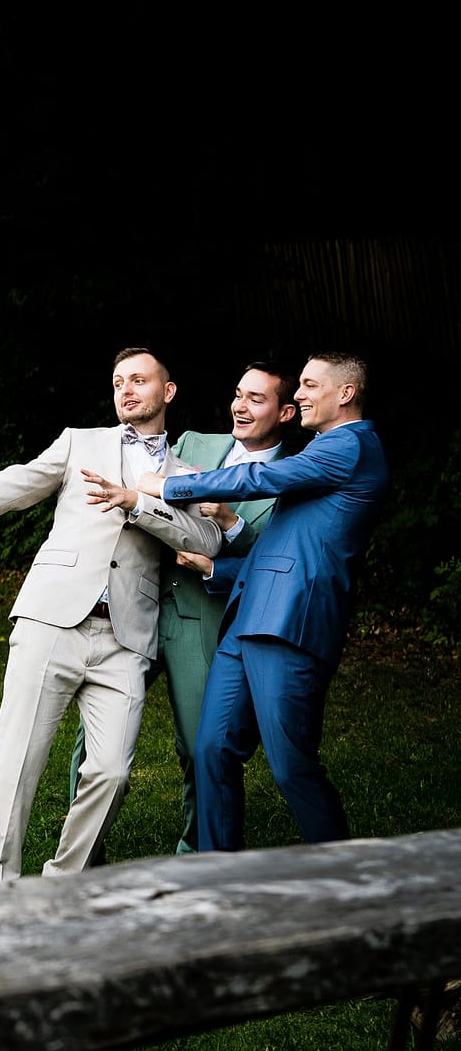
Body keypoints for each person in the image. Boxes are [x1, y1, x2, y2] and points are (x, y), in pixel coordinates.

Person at [0, 348, 224, 882]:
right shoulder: (80, 441)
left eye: (140, 380)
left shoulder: (190, 474)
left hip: (127, 636)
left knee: (113, 772)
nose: (127, 390)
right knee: (17, 764)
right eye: (118, 381)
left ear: (169, 391)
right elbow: (13, 486)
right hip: (52, 619)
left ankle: (62, 885)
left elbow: (207, 537)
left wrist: (138, 503)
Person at [139, 351, 390, 851]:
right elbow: (281, 544)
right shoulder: (324, 448)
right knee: (211, 748)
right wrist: (220, 572)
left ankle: (343, 876)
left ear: (344, 393)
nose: (299, 394)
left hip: (289, 623)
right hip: (246, 616)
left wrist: (170, 486)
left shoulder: (352, 445)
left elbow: (259, 478)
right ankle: (217, 873)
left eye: (310, 385)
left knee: (291, 764)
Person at [70, 360, 297, 854]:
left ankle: (196, 853)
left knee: (199, 747)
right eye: (238, 394)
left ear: (286, 412)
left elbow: (272, 560)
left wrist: (233, 523)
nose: (240, 405)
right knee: (95, 740)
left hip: (199, 618)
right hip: (139, 600)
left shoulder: (290, 482)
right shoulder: (194, 443)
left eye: (257, 399)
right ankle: (82, 855)